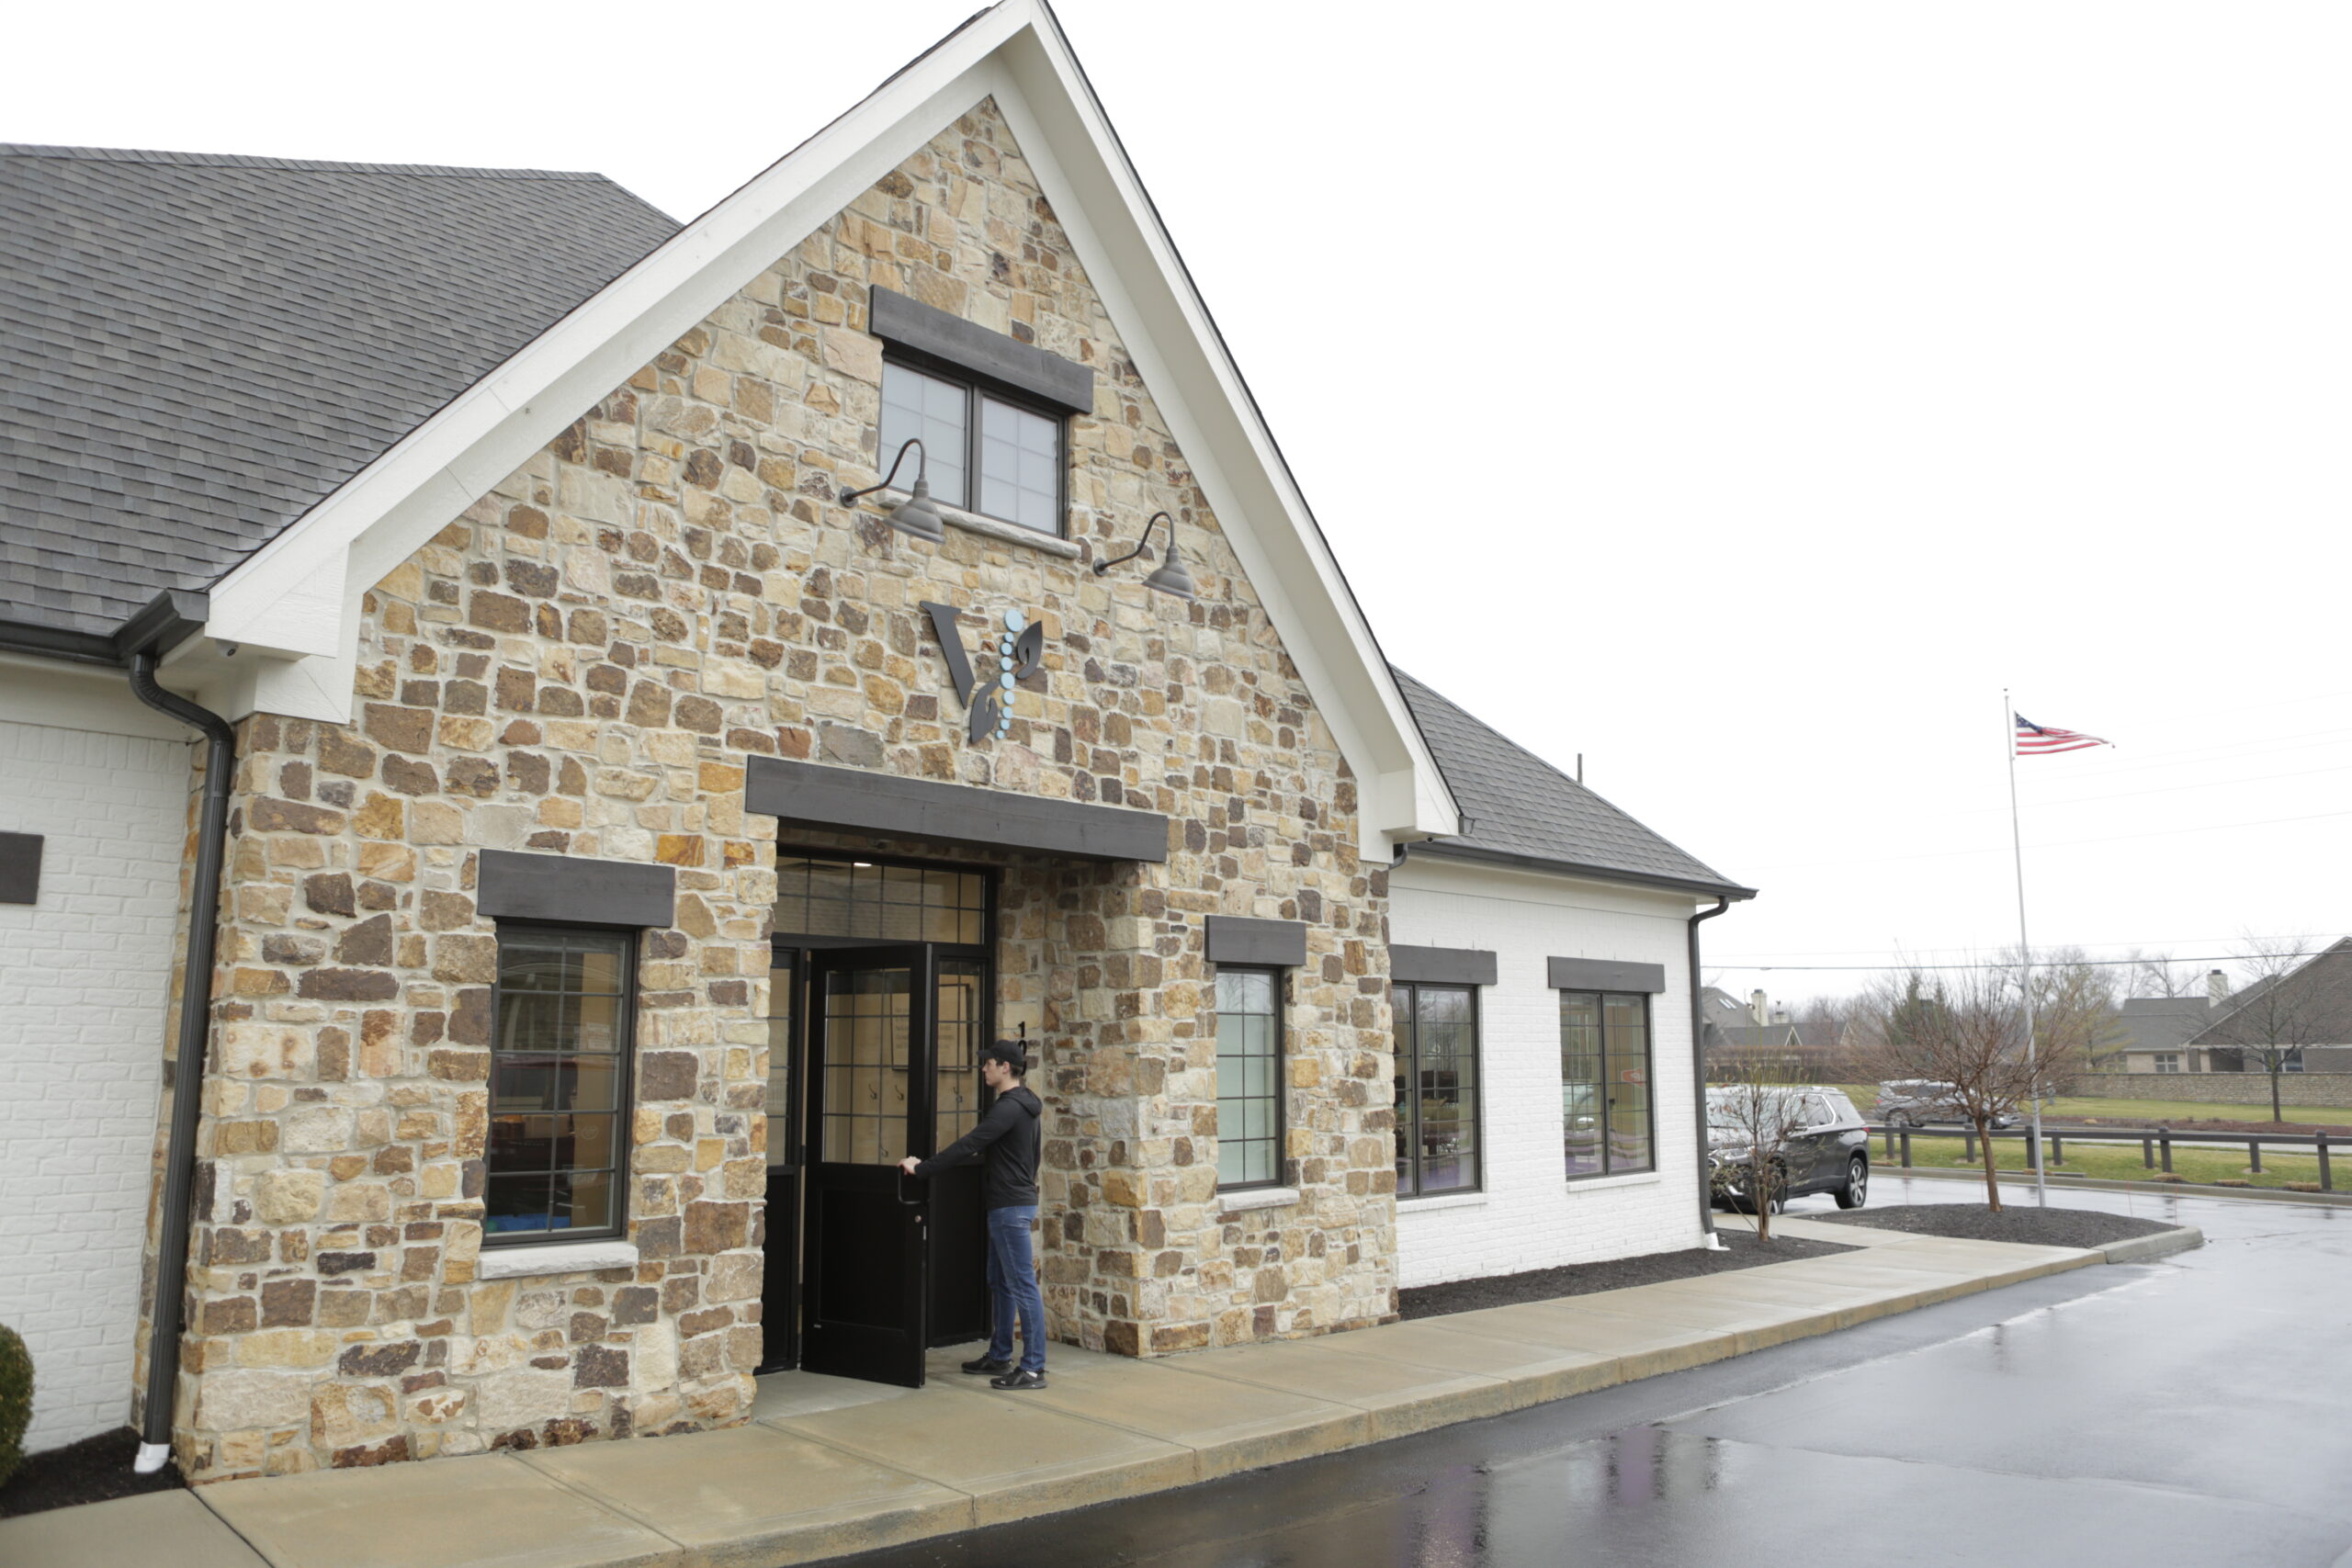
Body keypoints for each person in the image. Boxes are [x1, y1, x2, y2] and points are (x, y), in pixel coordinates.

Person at [899, 1039, 1046, 1389]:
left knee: (1023, 1286)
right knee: (1001, 1282)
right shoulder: (1022, 1106)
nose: (983, 1068)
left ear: (1005, 1068)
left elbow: (970, 1144)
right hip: (1010, 1203)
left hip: (1009, 1206)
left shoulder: (1009, 1108)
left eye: (988, 1063)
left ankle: (1034, 1368)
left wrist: (922, 1169)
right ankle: (999, 1355)